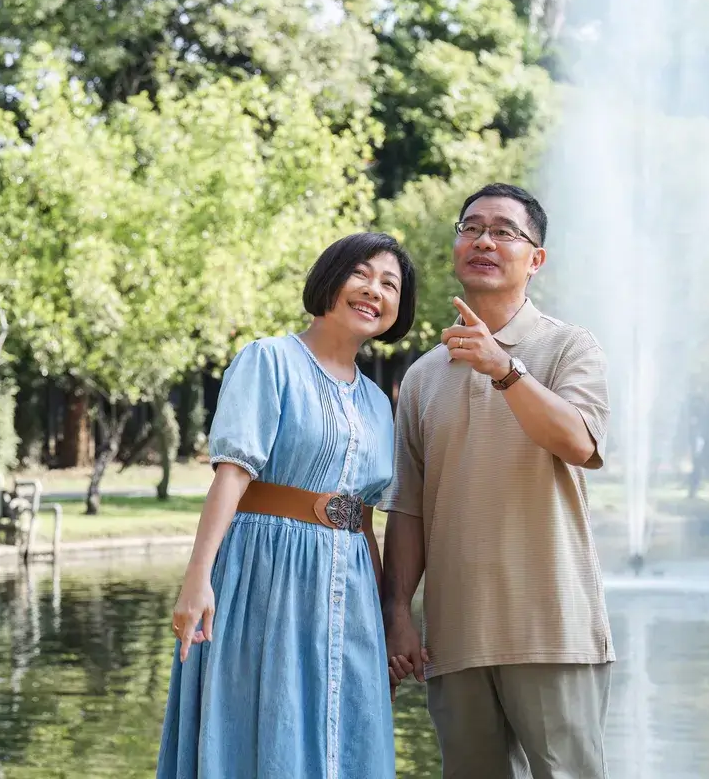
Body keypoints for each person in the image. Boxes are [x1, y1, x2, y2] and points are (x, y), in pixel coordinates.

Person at [157, 232, 417, 779]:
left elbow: (365, 517)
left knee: (346, 732)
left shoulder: (376, 401)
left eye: (390, 285)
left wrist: (385, 619)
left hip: (349, 588)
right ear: (329, 278)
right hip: (265, 575)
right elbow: (232, 475)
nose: (374, 291)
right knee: (259, 725)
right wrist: (196, 579)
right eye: (362, 274)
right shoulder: (269, 360)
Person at [380, 183, 613, 779]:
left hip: (551, 631)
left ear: (535, 260)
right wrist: (398, 611)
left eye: (504, 231)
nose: (483, 240)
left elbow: (580, 443)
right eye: (471, 228)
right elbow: (408, 509)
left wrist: (504, 370)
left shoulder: (568, 347)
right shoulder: (425, 375)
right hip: (454, 639)